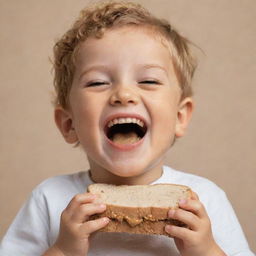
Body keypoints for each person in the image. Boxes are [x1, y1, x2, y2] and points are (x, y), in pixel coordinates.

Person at [0, 1, 254, 256]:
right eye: (97, 82)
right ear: (69, 124)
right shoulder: (49, 198)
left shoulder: (205, 200)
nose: (124, 94)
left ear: (180, 117)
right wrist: (63, 250)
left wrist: (206, 249)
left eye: (148, 80)